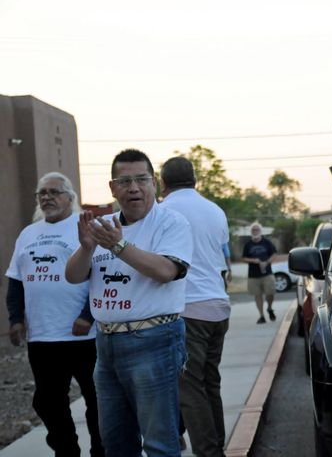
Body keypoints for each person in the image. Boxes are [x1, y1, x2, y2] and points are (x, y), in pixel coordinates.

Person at [65, 149, 193, 456]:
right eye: (125, 181)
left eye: (141, 179)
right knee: (116, 441)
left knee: (160, 442)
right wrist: (85, 249)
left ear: (153, 183)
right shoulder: (102, 225)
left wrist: (119, 246)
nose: (133, 188)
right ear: (112, 188)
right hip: (106, 343)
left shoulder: (171, 223)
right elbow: (73, 276)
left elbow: (166, 271)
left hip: (154, 340)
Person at [5, 172, 104, 456]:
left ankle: (102, 449)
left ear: (70, 198)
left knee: (97, 401)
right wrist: (15, 319)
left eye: (54, 192)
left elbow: (101, 277)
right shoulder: (28, 233)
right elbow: (16, 281)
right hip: (43, 337)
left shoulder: (86, 228)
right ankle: (66, 451)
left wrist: (88, 315)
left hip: (84, 336)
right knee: (49, 403)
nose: (47, 197)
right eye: (42, 193)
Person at [160, 156, 231, 457]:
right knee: (210, 383)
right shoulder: (215, 210)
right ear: (195, 180)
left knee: (189, 390)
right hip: (218, 306)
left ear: (161, 183)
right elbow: (223, 260)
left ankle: (208, 452)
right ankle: (217, 446)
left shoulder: (163, 212)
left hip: (188, 309)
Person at [241, 223, 277, 324]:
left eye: (257, 229)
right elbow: (243, 258)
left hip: (267, 273)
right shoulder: (248, 245)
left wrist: (267, 262)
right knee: (257, 295)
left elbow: (274, 254)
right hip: (253, 275)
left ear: (260, 231)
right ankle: (261, 316)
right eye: (253, 230)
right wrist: (254, 261)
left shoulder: (267, 242)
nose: (255, 231)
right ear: (251, 232)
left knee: (270, 293)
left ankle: (269, 308)